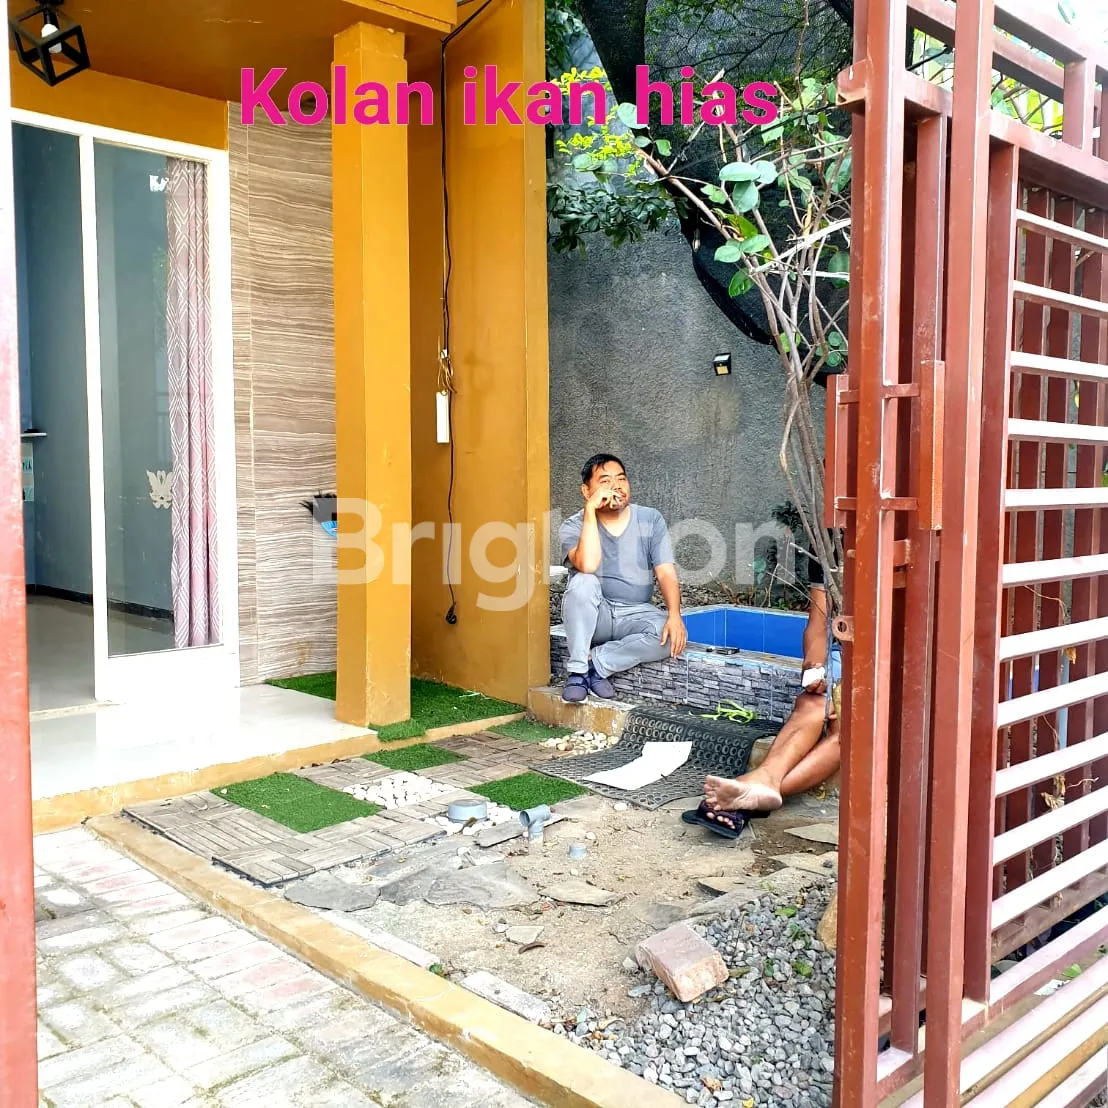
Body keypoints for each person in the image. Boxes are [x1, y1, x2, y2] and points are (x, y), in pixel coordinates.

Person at [699, 542, 841, 829]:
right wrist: (815, 668)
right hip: (845, 652)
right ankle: (760, 785)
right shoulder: (829, 541)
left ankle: (750, 790)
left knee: (850, 727)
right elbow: (818, 625)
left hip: (897, 662)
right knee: (812, 703)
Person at [558, 454, 688, 703]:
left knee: (669, 635)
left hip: (635, 612)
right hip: (597, 615)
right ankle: (577, 672)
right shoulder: (572, 526)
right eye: (605, 481)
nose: (616, 486)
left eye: (621, 479)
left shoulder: (650, 519)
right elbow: (587, 565)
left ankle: (596, 665)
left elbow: (665, 571)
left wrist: (675, 615)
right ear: (586, 490)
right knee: (583, 581)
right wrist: (590, 511)